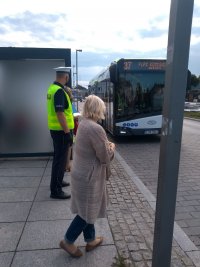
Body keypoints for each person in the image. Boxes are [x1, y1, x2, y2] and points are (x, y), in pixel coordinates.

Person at [59, 95, 115, 257]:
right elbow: (105, 156)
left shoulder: (83, 123)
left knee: (89, 208)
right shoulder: (96, 128)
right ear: (99, 109)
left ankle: (90, 240)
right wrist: (112, 146)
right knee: (85, 213)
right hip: (89, 178)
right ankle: (68, 241)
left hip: (81, 174)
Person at [47, 67, 74, 199]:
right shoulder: (59, 91)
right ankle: (55, 190)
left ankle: (58, 181)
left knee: (59, 159)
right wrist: (67, 132)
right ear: (66, 77)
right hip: (61, 132)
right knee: (60, 160)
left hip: (56, 130)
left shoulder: (52, 89)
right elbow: (60, 113)